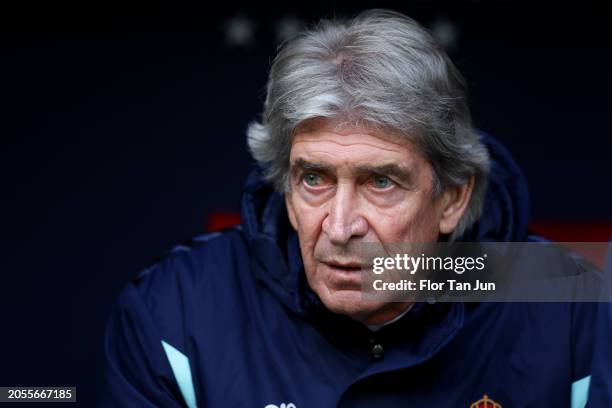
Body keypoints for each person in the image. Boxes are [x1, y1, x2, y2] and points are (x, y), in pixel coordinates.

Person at [102, 9, 610, 407]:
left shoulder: (573, 311)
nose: (341, 227)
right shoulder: (176, 310)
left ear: (453, 198)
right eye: (315, 178)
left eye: (381, 181)